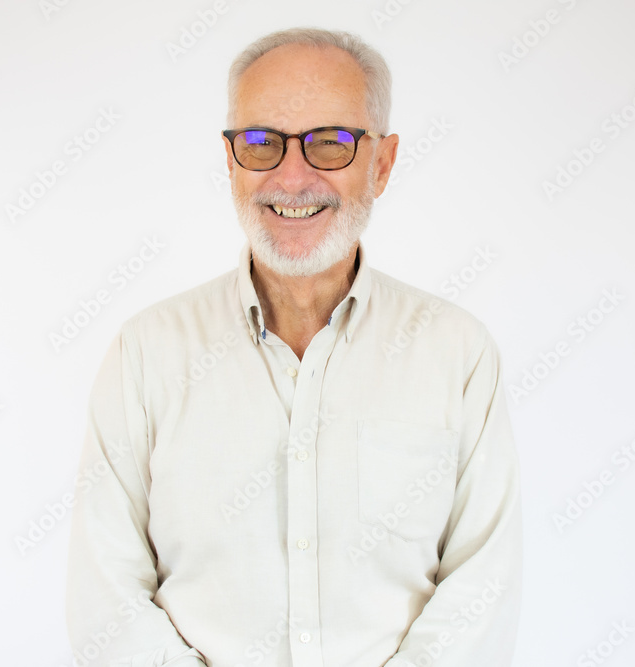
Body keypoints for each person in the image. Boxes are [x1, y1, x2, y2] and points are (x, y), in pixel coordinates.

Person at [66, 27, 522, 667]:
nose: (292, 176)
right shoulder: (145, 354)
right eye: (262, 143)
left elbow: (481, 589)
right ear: (231, 161)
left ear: (382, 164)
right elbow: (106, 596)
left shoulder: (458, 353)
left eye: (330, 142)